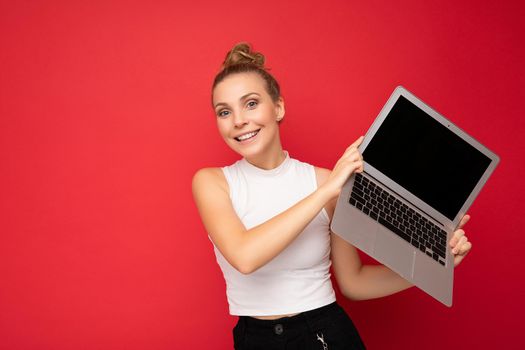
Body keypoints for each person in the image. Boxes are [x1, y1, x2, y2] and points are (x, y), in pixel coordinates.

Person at [192, 42, 472, 350]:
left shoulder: (326, 182)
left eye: (251, 103)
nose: (238, 121)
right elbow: (245, 257)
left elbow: (354, 282)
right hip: (254, 339)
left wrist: (432, 269)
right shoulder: (213, 182)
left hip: (325, 333)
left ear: (279, 108)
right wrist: (327, 190)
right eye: (224, 111)